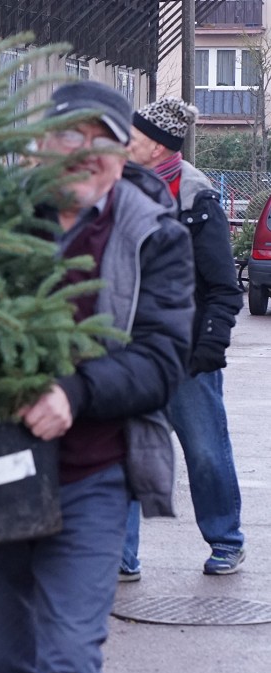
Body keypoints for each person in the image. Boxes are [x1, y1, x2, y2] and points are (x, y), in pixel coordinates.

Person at [0, 81, 194, 673]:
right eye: (69, 136)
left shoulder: (154, 234)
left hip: (90, 477)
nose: (85, 152)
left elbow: (163, 358)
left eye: (103, 140)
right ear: (40, 147)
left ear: (124, 154)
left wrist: (74, 391)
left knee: (68, 669)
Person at [121, 98, 246, 580]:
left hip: (187, 355)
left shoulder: (196, 197)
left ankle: (226, 539)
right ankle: (122, 556)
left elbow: (222, 288)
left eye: (132, 134)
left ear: (155, 145)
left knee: (206, 452)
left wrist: (209, 349)